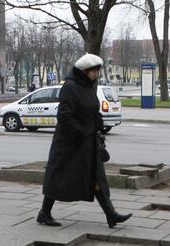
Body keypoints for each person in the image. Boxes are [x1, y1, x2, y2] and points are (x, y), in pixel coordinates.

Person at [38, 53, 131, 229]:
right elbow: (64, 115)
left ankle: (111, 215)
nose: (96, 74)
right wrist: (79, 132)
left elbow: (91, 109)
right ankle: (44, 212)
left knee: (96, 176)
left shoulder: (89, 86)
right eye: (94, 71)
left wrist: (99, 122)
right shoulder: (70, 87)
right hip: (69, 143)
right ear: (84, 71)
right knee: (59, 177)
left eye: (97, 71)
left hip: (88, 141)